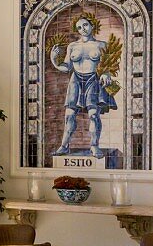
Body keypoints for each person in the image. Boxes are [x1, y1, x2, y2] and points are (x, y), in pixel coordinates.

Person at [49, 12, 118, 159]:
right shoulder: (72, 46)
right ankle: (64, 146)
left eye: (85, 25)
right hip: (76, 80)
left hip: (93, 79)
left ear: (92, 25)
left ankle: (94, 146)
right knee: (69, 115)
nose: (83, 29)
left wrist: (106, 73)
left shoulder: (101, 45)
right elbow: (67, 67)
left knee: (93, 115)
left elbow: (110, 66)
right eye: (79, 27)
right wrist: (54, 60)